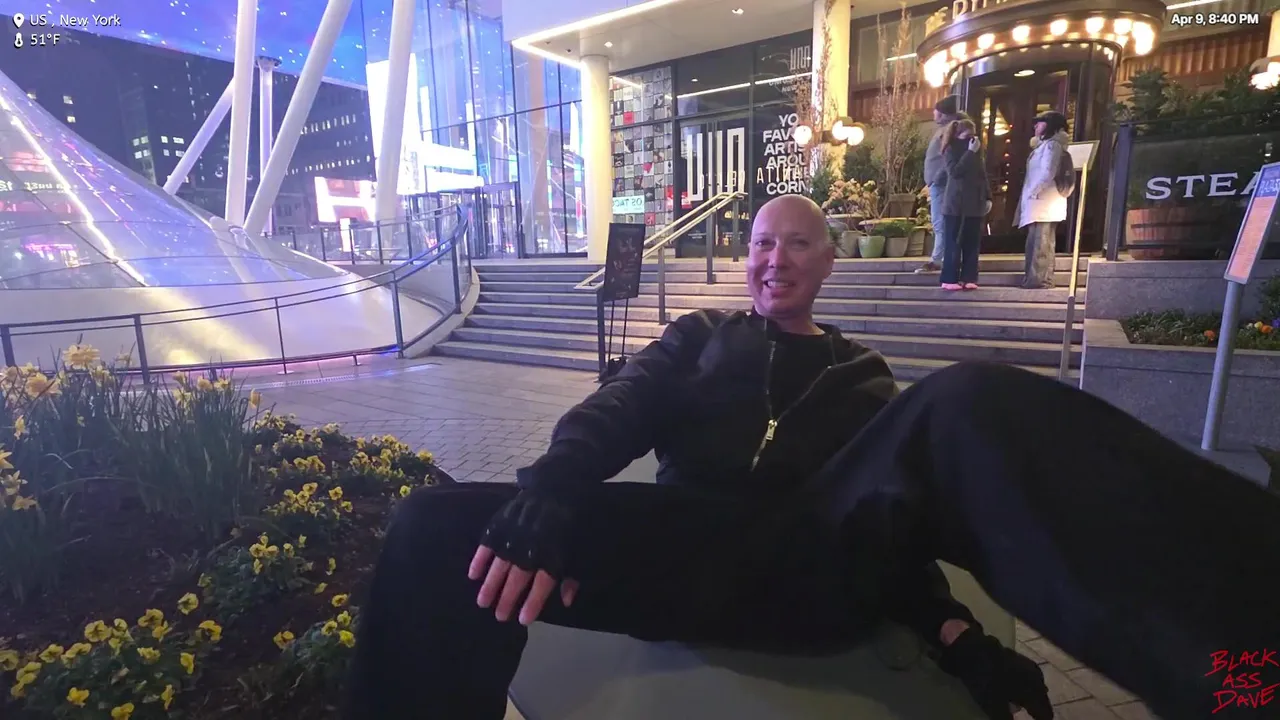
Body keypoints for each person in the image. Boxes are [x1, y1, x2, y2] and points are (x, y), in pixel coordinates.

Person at [346, 195, 1280, 720]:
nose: (775, 258)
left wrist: (957, 635)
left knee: (965, 399)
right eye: (761, 242)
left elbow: (894, 516)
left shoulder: (864, 374)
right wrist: (551, 490)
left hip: (818, 567)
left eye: (797, 243)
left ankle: (1252, 668)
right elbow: (616, 410)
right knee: (431, 528)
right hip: (687, 553)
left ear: (830, 262)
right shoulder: (699, 335)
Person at [1017, 110, 1071, 289]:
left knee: (1041, 242)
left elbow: (1048, 172)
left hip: (1044, 201)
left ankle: (1039, 280)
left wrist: (1033, 192)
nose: (1036, 126)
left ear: (1051, 125)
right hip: (1039, 201)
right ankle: (1036, 278)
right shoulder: (1044, 145)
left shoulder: (1052, 145)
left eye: (1040, 122)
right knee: (1038, 241)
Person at [935, 119, 991, 291]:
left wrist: (988, 197)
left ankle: (969, 277)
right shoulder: (950, 149)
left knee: (972, 242)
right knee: (953, 242)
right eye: (968, 136)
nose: (971, 139)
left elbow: (982, 174)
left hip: (974, 202)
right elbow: (954, 172)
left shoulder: (976, 150)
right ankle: (949, 278)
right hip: (955, 203)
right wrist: (969, 153)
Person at [917, 94, 970, 274]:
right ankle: (942, 258)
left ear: (942, 113)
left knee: (941, 222)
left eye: (936, 110)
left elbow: (950, 157)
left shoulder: (951, 130)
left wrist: (937, 178)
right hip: (938, 183)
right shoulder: (945, 129)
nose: (933, 113)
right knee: (941, 222)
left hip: (942, 184)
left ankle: (938, 259)